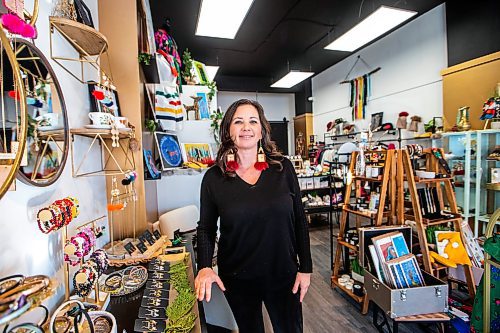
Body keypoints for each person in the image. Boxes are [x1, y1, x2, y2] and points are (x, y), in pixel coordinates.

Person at [195, 99, 312, 333]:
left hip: (283, 275)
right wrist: (205, 266)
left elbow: (299, 219)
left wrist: (306, 268)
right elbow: (206, 228)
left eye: (253, 121)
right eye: (238, 121)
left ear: (261, 130)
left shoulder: (283, 169)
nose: (246, 127)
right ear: (228, 130)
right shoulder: (214, 178)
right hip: (238, 279)